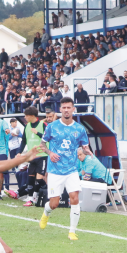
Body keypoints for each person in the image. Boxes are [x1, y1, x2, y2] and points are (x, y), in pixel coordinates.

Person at [39, 97, 89, 241]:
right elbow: (42, 144)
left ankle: (72, 232)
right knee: (54, 203)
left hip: (72, 169)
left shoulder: (80, 129)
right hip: (55, 170)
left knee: (74, 198)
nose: (66, 110)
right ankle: (46, 213)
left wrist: (87, 151)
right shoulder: (52, 126)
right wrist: (50, 153)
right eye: (64, 108)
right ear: (60, 110)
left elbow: (84, 147)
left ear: (73, 109)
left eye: (69, 107)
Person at [21, 106, 49, 207]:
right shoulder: (27, 126)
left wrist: (38, 133)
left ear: (32, 116)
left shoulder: (43, 124)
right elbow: (24, 140)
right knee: (30, 178)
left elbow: (48, 137)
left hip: (42, 155)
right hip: (31, 156)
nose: (25, 117)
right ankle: (30, 199)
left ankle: (47, 193)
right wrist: (20, 152)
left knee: (39, 179)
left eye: (26, 115)